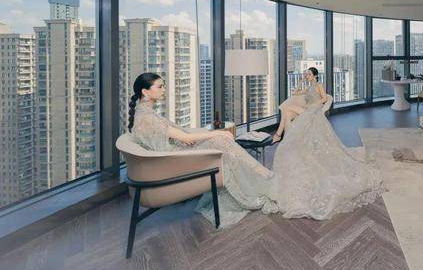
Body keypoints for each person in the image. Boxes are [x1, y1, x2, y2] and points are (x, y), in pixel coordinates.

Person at [128, 71, 382, 227]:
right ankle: (264, 179)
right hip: (179, 164)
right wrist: (216, 133)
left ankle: (263, 177)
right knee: (223, 141)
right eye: (159, 86)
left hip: (177, 159)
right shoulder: (147, 118)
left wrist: (204, 136)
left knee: (224, 143)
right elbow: (183, 136)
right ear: (145, 92)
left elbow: (179, 136)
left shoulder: (145, 114)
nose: (164, 90)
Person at [273, 67, 327, 143]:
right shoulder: (308, 88)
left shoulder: (319, 85)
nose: (307, 76)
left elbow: (325, 99)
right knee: (288, 114)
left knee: (287, 107)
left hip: (313, 110)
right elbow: (295, 93)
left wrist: (312, 105)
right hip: (306, 109)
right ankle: (288, 139)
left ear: (315, 76)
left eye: (309, 74)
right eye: (306, 74)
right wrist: (301, 81)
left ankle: (278, 135)